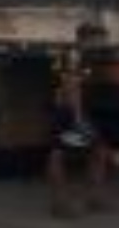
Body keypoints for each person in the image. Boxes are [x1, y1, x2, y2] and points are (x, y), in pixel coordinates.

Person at [46, 68, 111, 219]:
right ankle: (59, 203)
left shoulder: (78, 92)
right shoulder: (64, 98)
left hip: (74, 116)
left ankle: (94, 197)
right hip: (63, 117)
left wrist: (84, 125)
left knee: (99, 150)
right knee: (58, 154)